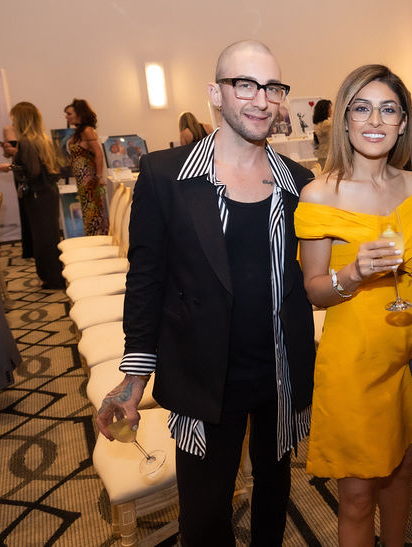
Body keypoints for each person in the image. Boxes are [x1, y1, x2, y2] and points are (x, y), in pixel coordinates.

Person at [95, 40, 316, 545]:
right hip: (202, 375)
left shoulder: (299, 184)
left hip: (279, 372)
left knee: (273, 494)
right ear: (215, 93)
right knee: (204, 514)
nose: (261, 100)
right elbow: (145, 281)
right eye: (245, 85)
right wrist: (134, 380)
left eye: (272, 88)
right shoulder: (165, 176)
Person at [295, 64, 412, 546]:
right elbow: (314, 291)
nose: (374, 121)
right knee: (357, 498)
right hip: (354, 363)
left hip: (408, 357)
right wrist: (353, 274)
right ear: (344, 119)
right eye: (361, 108)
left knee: (401, 476)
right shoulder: (320, 194)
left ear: (404, 123)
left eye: (388, 110)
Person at [9, 102, 64, 289]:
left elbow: (32, 172)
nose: (12, 123)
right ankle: (55, 276)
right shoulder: (43, 139)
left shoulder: (26, 142)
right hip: (47, 193)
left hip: (37, 196)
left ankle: (51, 279)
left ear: (22, 120)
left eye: (14, 119)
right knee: (50, 237)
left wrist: (15, 168)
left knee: (43, 239)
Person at [64, 99, 109, 236]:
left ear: (79, 114)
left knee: (93, 210)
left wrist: (99, 177)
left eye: (69, 114)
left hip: (89, 179)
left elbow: (99, 154)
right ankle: (94, 238)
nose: (66, 117)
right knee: (88, 210)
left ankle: (99, 239)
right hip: (83, 181)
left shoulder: (87, 130)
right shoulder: (79, 132)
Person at [0, 124, 32, 258]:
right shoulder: (7, 129)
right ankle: (29, 248)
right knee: (24, 210)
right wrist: (8, 149)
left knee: (31, 211)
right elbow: (8, 154)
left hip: (29, 174)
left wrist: (15, 152)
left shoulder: (28, 132)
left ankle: (35, 247)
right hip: (18, 174)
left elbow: (28, 157)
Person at [311, 99, 332, 168]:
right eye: (329, 108)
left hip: (321, 154)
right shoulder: (326, 124)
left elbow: (315, 143)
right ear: (325, 110)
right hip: (327, 155)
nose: (331, 110)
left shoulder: (317, 124)